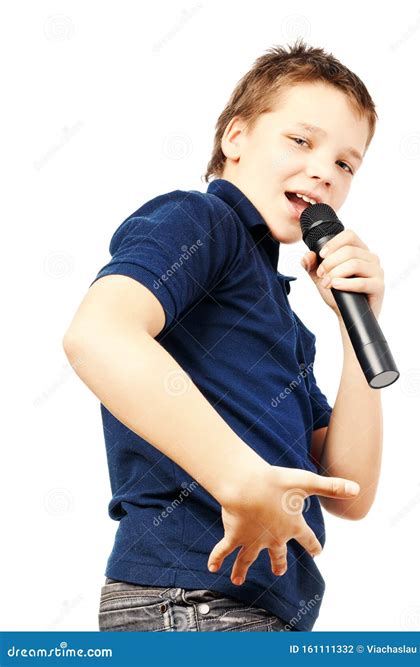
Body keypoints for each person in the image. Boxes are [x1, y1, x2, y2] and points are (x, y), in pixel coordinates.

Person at [63, 39, 385, 632]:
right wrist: (239, 475)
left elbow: (349, 491)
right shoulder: (201, 221)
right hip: (187, 602)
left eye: (346, 163)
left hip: (259, 614)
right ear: (235, 138)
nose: (324, 170)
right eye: (302, 140)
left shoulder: (282, 317)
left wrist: (355, 328)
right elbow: (98, 333)